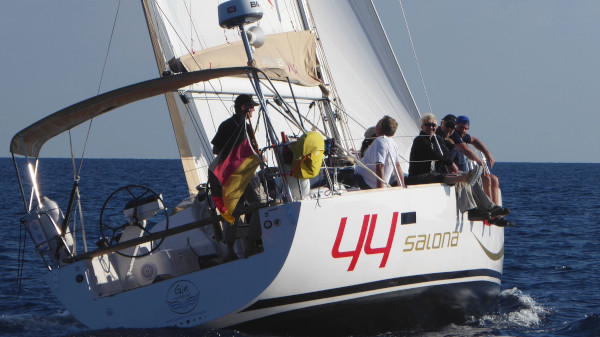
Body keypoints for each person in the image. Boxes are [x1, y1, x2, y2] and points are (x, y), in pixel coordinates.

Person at [407, 113, 511, 224]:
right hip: (425, 176)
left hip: (434, 174)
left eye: (433, 125)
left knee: (471, 178)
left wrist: (485, 153)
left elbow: (447, 155)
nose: (431, 127)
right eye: (428, 125)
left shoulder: (433, 139)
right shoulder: (422, 140)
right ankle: (478, 209)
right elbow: (438, 156)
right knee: (465, 178)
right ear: (422, 126)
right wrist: (453, 149)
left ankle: (486, 207)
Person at [211, 94, 263, 260]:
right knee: (259, 205)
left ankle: (230, 251)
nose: (253, 110)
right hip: (242, 174)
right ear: (244, 108)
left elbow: (217, 150)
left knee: (234, 211)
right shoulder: (237, 127)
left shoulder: (232, 125)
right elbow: (218, 150)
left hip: (231, 176)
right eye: (251, 107)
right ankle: (250, 245)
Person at [451, 115, 501, 204]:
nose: (463, 130)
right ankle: (488, 210)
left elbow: (474, 140)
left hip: (463, 172)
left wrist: (486, 152)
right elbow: (464, 148)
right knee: (486, 179)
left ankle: (496, 213)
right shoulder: (454, 134)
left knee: (494, 179)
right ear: (455, 126)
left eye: (466, 129)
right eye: (461, 127)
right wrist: (479, 161)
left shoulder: (462, 135)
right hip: (456, 173)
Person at [354, 116, 406, 189]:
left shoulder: (380, 141)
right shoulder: (393, 143)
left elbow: (380, 165)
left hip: (367, 183)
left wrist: (380, 190)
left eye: (378, 124)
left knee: (342, 177)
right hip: (372, 182)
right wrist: (402, 185)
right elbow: (397, 166)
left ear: (380, 128)